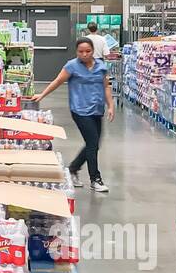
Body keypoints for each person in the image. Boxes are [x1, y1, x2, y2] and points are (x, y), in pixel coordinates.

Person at [29, 38, 115, 193]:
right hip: (80, 110)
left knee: (94, 144)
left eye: (88, 51)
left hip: (97, 109)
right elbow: (57, 81)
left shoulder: (101, 66)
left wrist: (111, 106)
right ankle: (95, 179)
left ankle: (73, 169)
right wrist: (42, 95)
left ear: (92, 50)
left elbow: (106, 86)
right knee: (92, 143)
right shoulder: (72, 66)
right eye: (81, 51)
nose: (84, 54)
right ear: (76, 52)